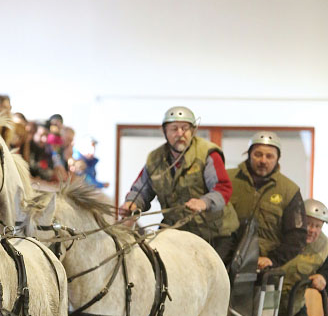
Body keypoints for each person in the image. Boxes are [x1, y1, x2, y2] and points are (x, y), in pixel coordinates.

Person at [120, 106, 239, 262]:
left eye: (185, 128)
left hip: (214, 232)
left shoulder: (208, 153)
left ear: (193, 131)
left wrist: (204, 202)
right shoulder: (154, 159)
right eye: (174, 129)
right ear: (165, 132)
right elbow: (141, 190)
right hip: (174, 229)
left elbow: (223, 188)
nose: (180, 134)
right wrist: (132, 204)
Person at [229, 132, 306, 277]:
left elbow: (297, 237)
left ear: (278, 159)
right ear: (249, 154)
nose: (263, 160)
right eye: (258, 154)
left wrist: (272, 260)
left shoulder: (289, 190)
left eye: (269, 156)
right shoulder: (228, 180)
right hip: (225, 263)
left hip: (265, 272)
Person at [280, 199, 328, 316]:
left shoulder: (323, 245)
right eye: (308, 224)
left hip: (294, 305)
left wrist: (323, 277)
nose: (312, 230)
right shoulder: (285, 234)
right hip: (267, 304)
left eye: (317, 226)